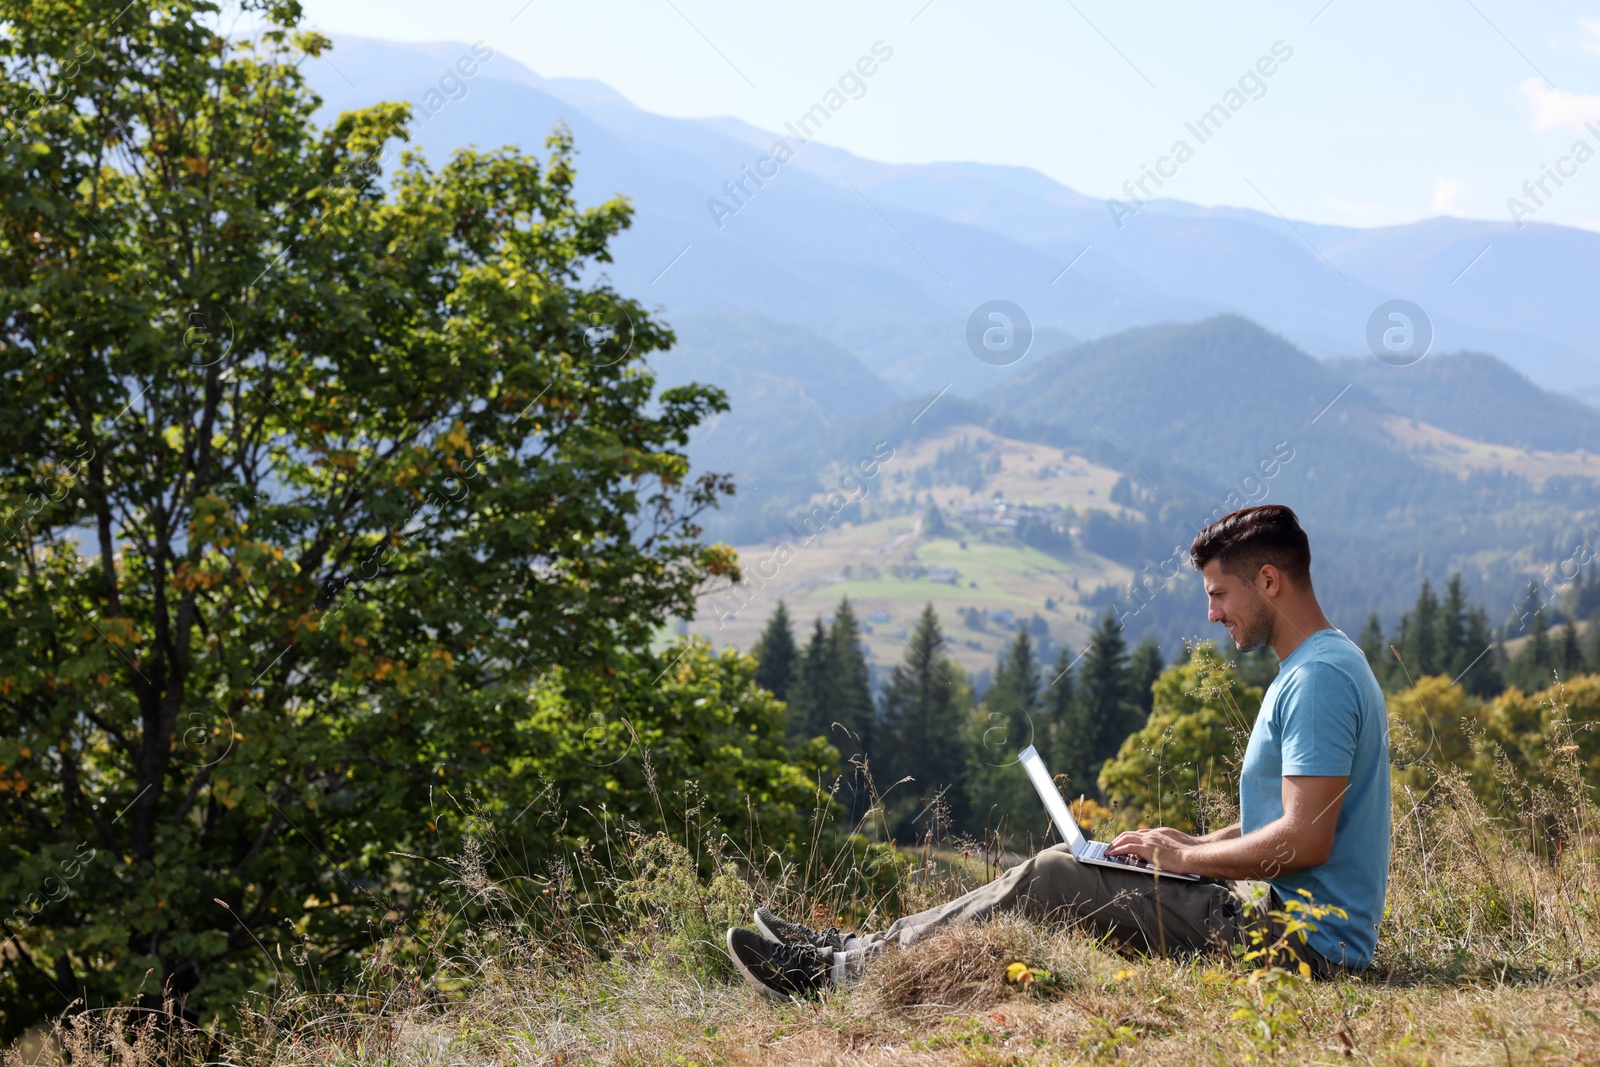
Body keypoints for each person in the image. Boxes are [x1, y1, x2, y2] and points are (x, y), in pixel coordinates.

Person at [726, 504, 1390, 998]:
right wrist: (1193, 844)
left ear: (1269, 580)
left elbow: (1306, 839)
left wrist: (1186, 859)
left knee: (1052, 874)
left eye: (1219, 593)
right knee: (1066, 865)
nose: (1213, 614)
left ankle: (841, 972)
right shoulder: (1318, 667)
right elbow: (1293, 811)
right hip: (1291, 933)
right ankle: (854, 950)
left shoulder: (1318, 679)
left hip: (1305, 952)